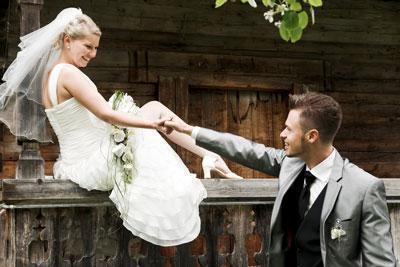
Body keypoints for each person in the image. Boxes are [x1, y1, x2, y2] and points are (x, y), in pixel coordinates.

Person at [0, 8, 243, 247]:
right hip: (93, 164)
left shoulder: (51, 75)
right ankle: (209, 155)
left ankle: (209, 156)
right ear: (67, 41)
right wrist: (150, 125)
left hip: (74, 163)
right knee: (155, 109)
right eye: (88, 46)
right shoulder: (68, 74)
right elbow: (106, 114)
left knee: (154, 108)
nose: (93, 54)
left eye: (96, 48)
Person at [165, 92, 397, 266]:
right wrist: (190, 130)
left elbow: (381, 263)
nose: (282, 134)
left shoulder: (364, 188)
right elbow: (245, 149)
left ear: (312, 136)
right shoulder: (289, 164)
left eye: (289, 129)